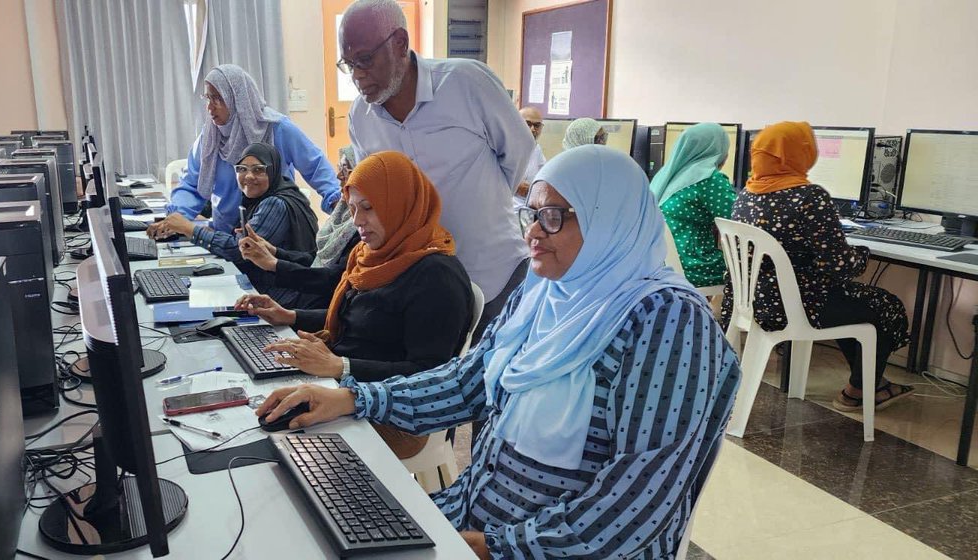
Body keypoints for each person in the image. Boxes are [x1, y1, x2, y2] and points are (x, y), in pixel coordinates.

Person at [257, 146, 741, 559]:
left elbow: (635, 509)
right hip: (475, 517)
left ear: (608, 220)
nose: (532, 233)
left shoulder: (666, 321)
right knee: (304, 524)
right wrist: (353, 397)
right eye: (531, 214)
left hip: (537, 548)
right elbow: (468, 380)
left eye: (553, 218)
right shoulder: (546, 294)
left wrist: (483, 547)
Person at [236, 151, 473, 458]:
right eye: (352, 209)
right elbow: (353, 320)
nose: (358, 221)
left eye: (369, 208)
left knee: (276, 445)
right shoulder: (371, 254)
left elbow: (428, 373)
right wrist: (289, 316)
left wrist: (341, 366)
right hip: (343, 384)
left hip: (395, 415)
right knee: (257, 406)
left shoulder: (436, 276)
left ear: (399, 205)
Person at [340, 0, 532, 339]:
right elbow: (379, 199)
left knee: (494, 382)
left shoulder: (466, 83)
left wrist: (482, 205)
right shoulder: (360, 118)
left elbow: (519, 155)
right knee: (435, 384)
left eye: (365, 60)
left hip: (493, 271)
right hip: (422, 288)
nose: (357, 75)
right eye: (348, 64)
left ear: (400, 42)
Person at [725, 121, 914, 411]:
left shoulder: (746, 195)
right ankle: (861, 390)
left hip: (754, 302)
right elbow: (839, 266)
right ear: (800, 153)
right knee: (886, 306)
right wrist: (863, 252)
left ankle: (870, 385)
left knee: (852, 300)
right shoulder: (810, 197)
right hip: (798, 306)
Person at [152, 64, 340, 239]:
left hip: (271, 236)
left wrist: (338, 203)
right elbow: (193, 184)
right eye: (208, 98)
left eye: (218, 98)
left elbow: (315, 166)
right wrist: (176, 218)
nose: (210, 107)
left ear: (237, 99)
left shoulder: (276, 128)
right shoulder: (210, 135)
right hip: (225, 237)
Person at [154, 142, 318, 308]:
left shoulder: (274, 204)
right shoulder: (261, 198)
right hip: (265, 286)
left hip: (279, 294)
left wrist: (190, 229)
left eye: (258, 169)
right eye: (242, 169)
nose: (248, 176)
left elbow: (238, 251)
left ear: (272, 171)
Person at [238, 146, 362, 309]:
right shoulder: (342, 213)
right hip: (312, 295)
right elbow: (316, 258)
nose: (338, 175)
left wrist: (274, 264)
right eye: (339, 168)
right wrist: (273, 251)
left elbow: (333, 278)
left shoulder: (361, 226)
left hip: (323, 303)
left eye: (345, 169)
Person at [650, 122, 736, 288]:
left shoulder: (665, 176)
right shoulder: (710, 179)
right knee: (754, 270)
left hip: (659, 262)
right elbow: (737, 221)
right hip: (695, 266)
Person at [513, 107, 547, 205]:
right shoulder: (504, 147)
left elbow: (543, 175)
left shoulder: (536, 149)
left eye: (537, 125)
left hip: (529, 208)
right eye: (527, 124)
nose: (532, 129)